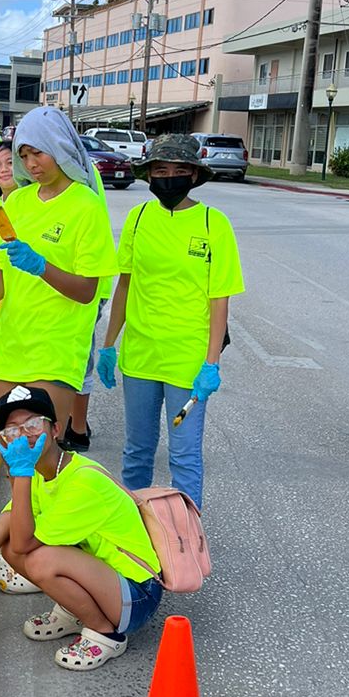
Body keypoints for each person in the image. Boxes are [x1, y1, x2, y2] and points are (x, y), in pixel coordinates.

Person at [0, 386, 164, 671]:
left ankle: (106, 633)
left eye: (32, 424)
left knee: (40, 558)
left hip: (137, 594)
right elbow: (3, 528)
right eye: (12, 431)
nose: (23, 435)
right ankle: (75, 611)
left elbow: (25, 545)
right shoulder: (38, 472)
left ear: (56, 429)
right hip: (104, 579)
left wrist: (18, 473)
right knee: (9, 542)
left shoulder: (82, 482)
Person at [97, 133, 244, 511]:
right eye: (161, 170)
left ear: (194, 175)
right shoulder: (139, 217)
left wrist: (211, 364)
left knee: (184, 458)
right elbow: (125, 285)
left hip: (187, 363)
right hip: (141, 356)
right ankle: (134, 534)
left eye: (180, 170)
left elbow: (219, 301)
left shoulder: (215, 224)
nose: (169, 177)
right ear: (149, 175)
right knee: (137, 453)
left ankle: (186, 543)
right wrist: (109, 344)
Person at [0, 105, 117, 439]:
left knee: (40, 452)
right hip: (12, 344)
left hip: (56, 348)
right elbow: (3, 274)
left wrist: (42, 267)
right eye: (23, 156)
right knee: (11, 451)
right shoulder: (15, 203)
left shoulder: (86, 206)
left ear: (59, 146)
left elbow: (87, 291)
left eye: (38, 153)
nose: (30, 165)